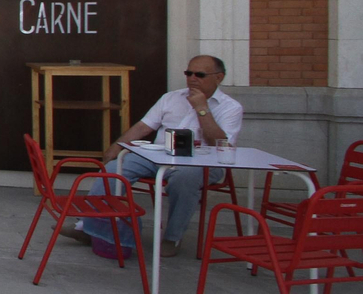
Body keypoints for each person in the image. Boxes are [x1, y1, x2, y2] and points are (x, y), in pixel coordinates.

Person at [65, 54, 243, 258]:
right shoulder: (171, 98)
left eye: (200, 74)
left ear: (219, 77)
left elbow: (221, 145)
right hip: (159, 155)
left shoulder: (231, 108)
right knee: (113, 169)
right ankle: (88, 227)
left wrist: (202, 109)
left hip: (203, 161)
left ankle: (172, 237)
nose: (192, 78)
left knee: (185, 180)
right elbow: (143, 126)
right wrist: (115, 147)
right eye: (188, 73)